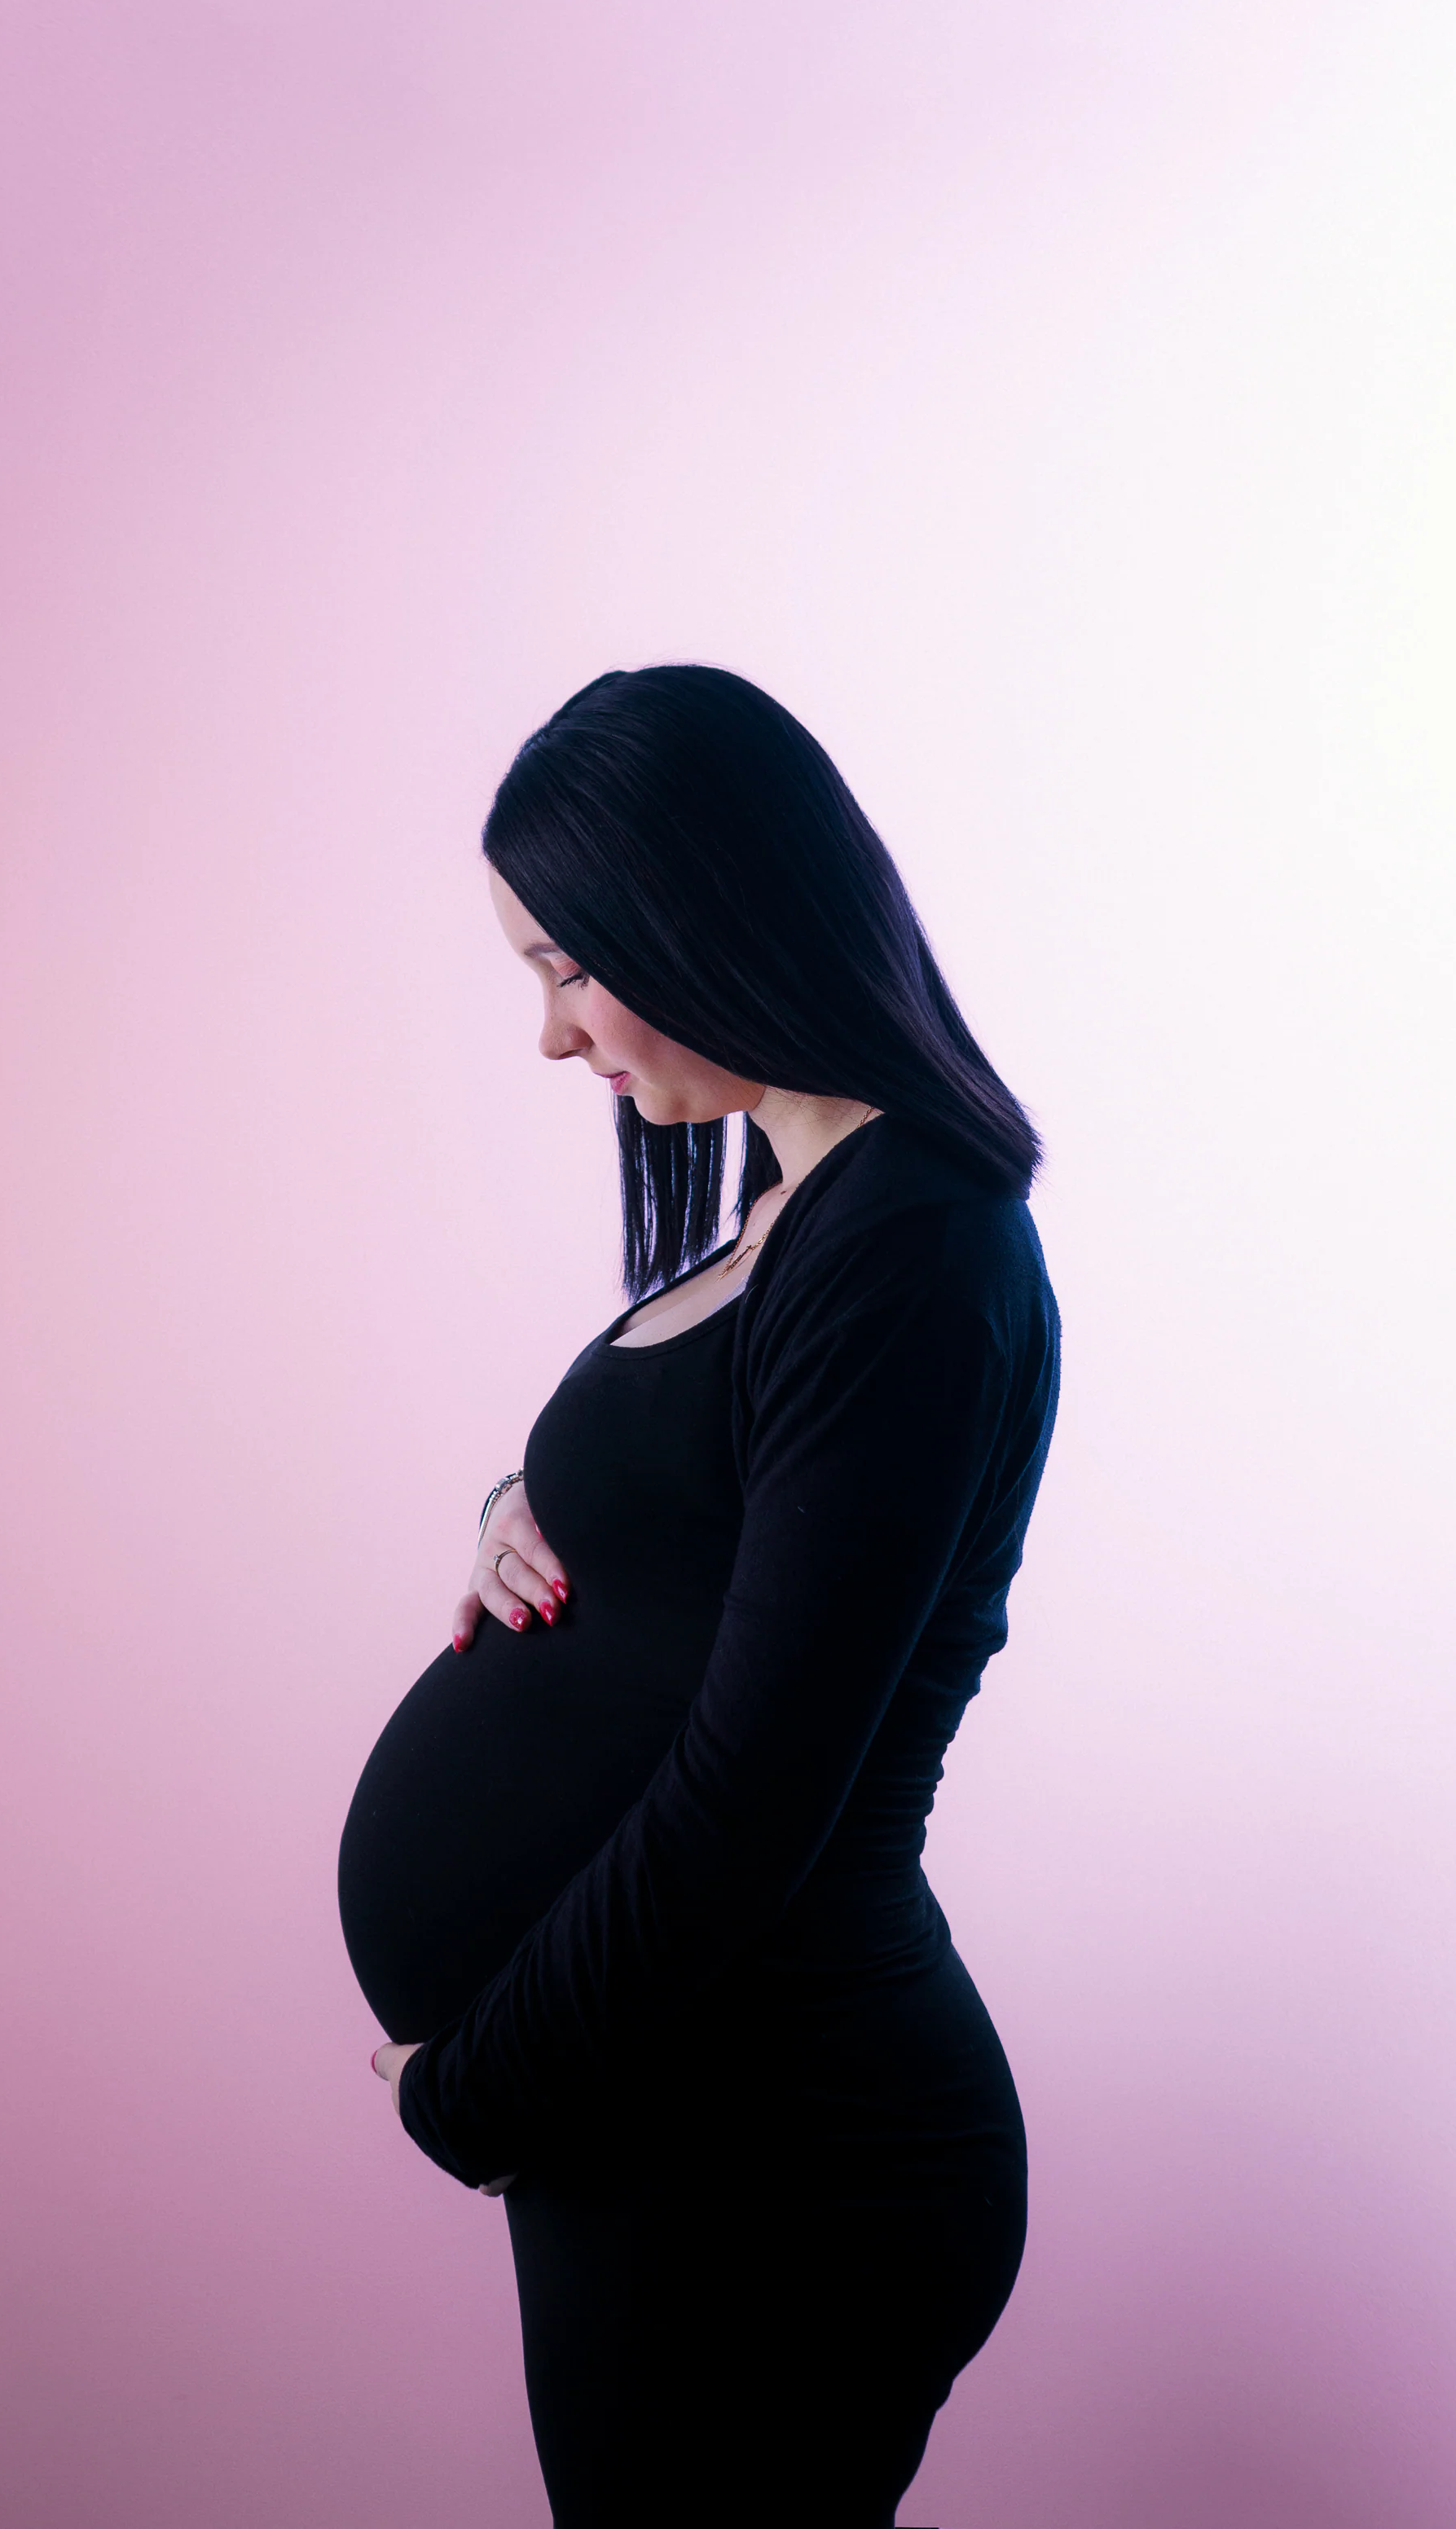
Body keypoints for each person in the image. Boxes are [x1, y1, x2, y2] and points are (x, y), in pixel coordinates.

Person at [337, 664, 1061, 2527]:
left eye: (570, 967)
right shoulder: (795, 1198)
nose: (555, 1039)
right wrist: (524, 1497)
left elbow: (753, 1802)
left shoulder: (912, 1252)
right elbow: (721, 1519)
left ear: (710, 910)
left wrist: (466, 2094)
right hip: (665, 2111)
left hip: (785, 2151)